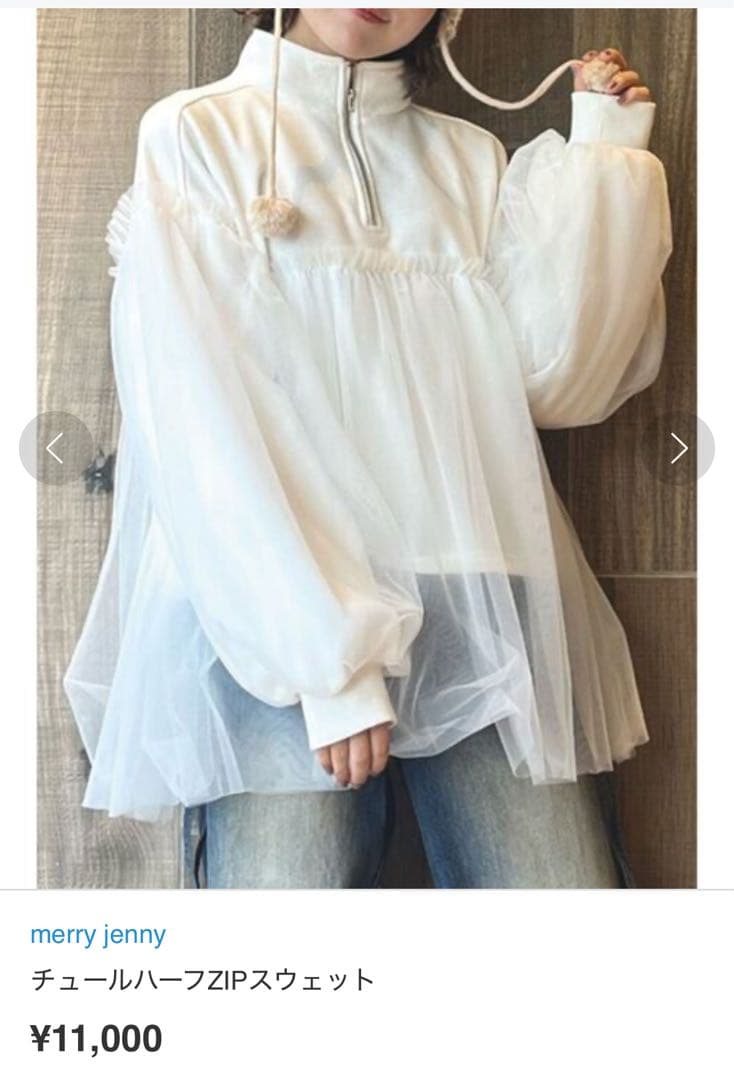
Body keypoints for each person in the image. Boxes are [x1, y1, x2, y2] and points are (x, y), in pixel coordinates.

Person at [64, 8, 673, 888]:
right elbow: (201, 420)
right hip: (274, 613)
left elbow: (550, 386)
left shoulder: (469, 158)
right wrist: (330, 668)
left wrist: (605, 155)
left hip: (479, 600)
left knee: (563, 918)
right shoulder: (198, 134)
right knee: (281, 937)